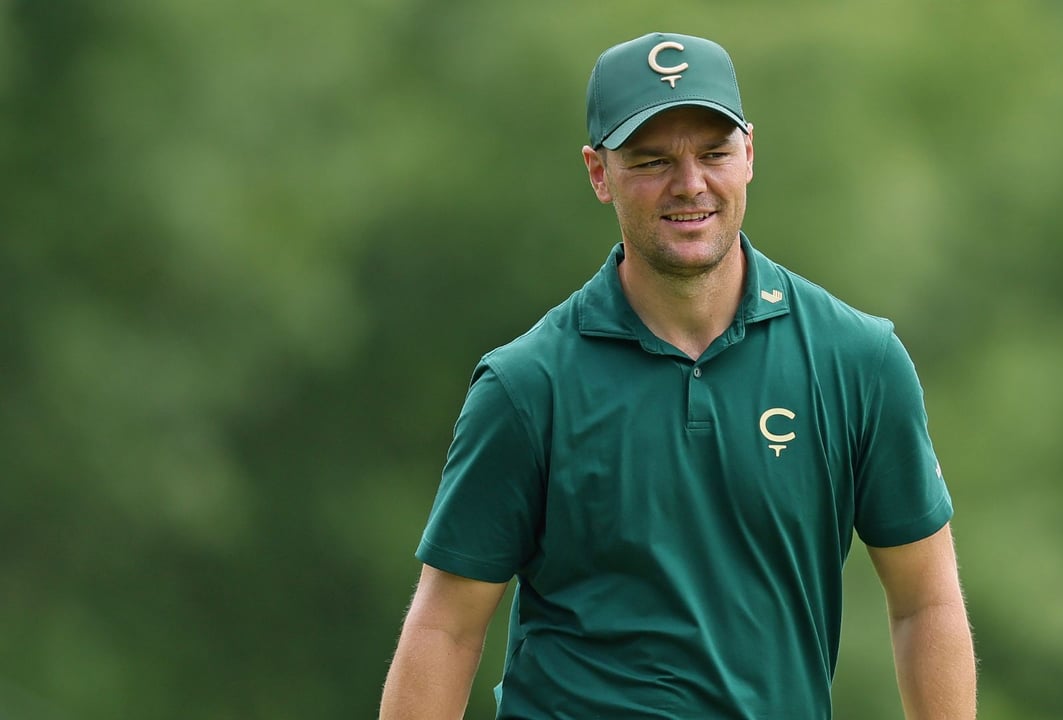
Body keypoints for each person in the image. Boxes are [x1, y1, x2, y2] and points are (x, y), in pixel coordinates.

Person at [380, 32, 976, 720]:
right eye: (652, 159)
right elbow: (446, 628)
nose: (690, 184)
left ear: (749, 154)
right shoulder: (526, 387)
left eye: (714, 153)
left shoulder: (859, 362)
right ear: (599, 172)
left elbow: (926, 602)